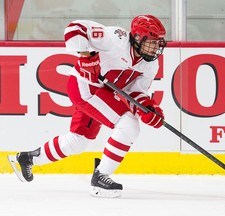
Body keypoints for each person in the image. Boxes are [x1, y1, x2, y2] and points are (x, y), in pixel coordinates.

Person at [13, 14, 167, 198]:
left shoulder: (150, 65)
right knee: (129, 125)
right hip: (84, 86)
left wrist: (148, 109)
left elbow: (135, 93)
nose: (155, 47)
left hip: (101, 93)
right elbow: (74, 29)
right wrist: (87, 57)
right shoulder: (115, 38)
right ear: (136, 37)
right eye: (151, 42)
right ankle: (101, 177)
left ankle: (27, 158)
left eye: (158, 42)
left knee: (77, 141)